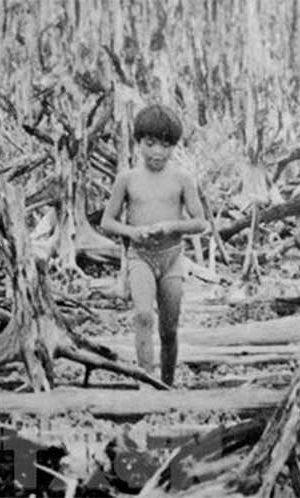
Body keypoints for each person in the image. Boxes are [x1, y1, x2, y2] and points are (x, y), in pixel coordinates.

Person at [101, 104, 208, 386]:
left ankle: (167, 383)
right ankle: (147, 382)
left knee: (169, 329)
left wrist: (171, 226)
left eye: (165, 145)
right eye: (150, 144)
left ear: (174, 146)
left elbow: (200, 222)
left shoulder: (182, 178)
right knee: (143, 316)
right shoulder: (127, 179)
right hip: (140, 257)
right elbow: (107, 221)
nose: (158, 152)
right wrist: (132, 232)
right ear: (138, 142)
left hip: (172, 258)